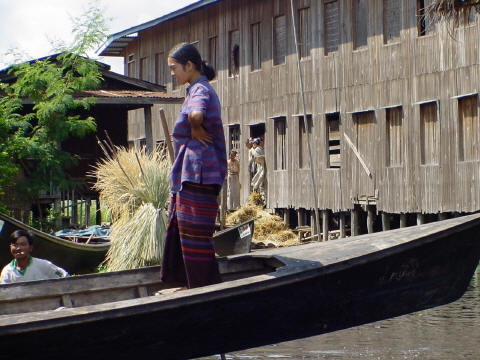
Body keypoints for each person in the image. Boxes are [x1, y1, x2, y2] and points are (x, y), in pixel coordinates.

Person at [161, 42, 227, 289]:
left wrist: (196, 126)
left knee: (195, 236)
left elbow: (196, 114)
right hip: (195, 174)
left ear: (189, 65)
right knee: (187, 232)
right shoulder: (195, 88)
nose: (172, 73)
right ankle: (191, 282)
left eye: (174, 67)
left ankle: (202, 286)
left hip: (198, 174)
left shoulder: (200, 89)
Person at [0, 230, 68, 284]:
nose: (18, 248)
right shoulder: (7, 272)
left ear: (30, 248)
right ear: (10, 247)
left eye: (22, 244)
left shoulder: (43, 265)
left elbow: (65, 277)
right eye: (15, 245)